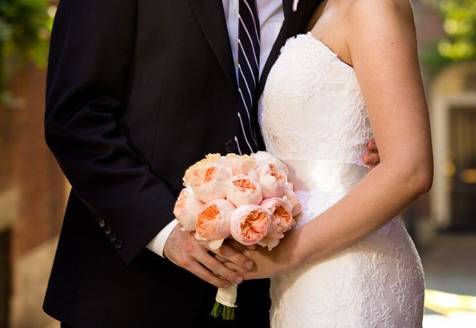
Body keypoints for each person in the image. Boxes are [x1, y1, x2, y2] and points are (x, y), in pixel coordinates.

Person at [42, 0, 381, 327]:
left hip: (268, 289)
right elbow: (76, 118)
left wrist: (366, 133)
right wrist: (162, 231)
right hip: (128, 288)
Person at [240, 0, 433, 327]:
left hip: (350, 268)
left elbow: (410, 170)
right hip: (300, 269)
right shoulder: (312, 10)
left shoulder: (374, 5)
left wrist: (287, 255)